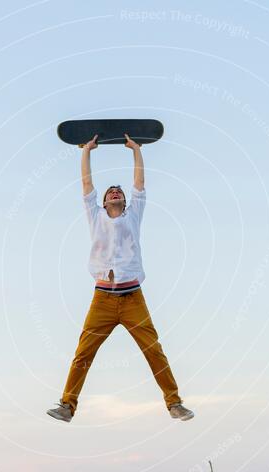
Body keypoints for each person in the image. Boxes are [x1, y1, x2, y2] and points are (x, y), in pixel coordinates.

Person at [47, 133, 194, 423]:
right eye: (110, 191)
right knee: (83, 353)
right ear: (103, 202)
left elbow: (139, 184)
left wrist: (136, 151)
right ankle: (67, 405)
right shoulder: (96, 216)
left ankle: (174, 403)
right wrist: (86, 150)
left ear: (125, 202)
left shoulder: (133, 216)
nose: (115, 192)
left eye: (119, 191)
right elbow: (87, 185)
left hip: (132, 299)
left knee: (154, 351)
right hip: (102, 299)